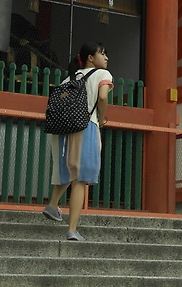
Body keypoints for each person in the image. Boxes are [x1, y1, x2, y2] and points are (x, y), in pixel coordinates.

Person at [41, 43, 112, 241]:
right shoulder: (103, 74)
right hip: (86, 126)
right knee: (81, 179)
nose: (106, 58)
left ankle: (53, 205)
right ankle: (72, 229)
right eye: (102, 53)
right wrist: (101, 118)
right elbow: (103, 97)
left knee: (70, 169)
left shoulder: (70, 78)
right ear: (91, 58)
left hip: (65, 129)